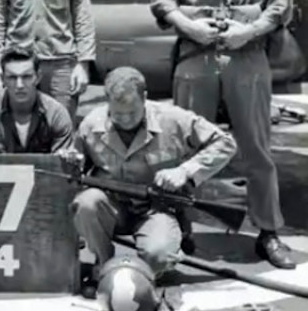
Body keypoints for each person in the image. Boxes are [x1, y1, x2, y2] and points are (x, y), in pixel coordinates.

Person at [150, 0, 295, 269]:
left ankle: (268, 232)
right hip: (196, 57)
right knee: (184, 146)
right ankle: (181, 230)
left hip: (247, 57)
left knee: (257, 150)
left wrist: (248, 33)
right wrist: (188, 26)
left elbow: (281, 4)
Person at [64, 67, 236, 289]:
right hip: (112, 207)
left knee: (159, 259)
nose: (125, 120)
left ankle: (164, 250)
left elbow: (225, 144)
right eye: (118, 114)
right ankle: (104, 264)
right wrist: (69, 161)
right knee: (86, 203)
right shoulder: (90, 124)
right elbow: (76, 170)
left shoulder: (173, 119)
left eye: (132, 113)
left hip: (157, 209)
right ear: (107, 101)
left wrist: (185, 171)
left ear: (145, 98)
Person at [0, 47, 73, 154]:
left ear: (38, 77)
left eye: (26, 77)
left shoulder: (56, 114)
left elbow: (61, 166)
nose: (19, 85)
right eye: (12, 77)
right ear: (2, 79)